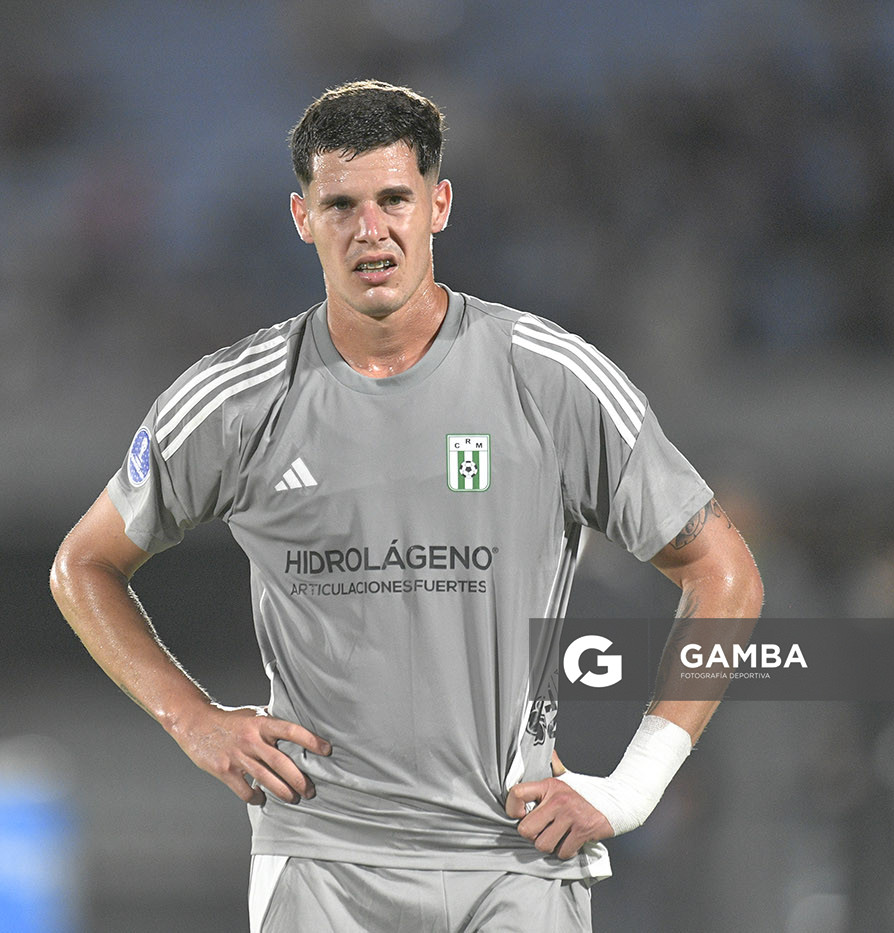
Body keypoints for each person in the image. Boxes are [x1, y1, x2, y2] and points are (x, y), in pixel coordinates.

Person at [51, 80, 763, 932]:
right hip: (322, 865)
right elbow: (82, 565)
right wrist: (193, 719)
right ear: (301, 217)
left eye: (394, 198)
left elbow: (724, 573)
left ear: (440, 204)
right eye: (340, 204)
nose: (370, 230)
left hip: (515, 859)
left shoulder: (549, 376)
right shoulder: (237, 399)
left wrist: (635, 785)